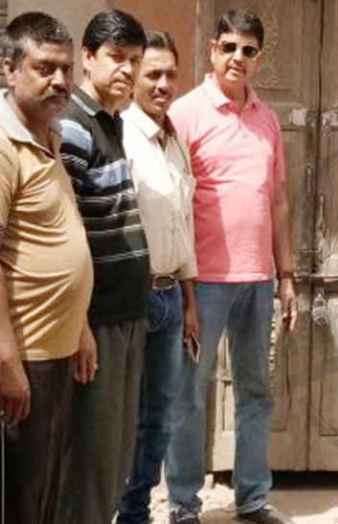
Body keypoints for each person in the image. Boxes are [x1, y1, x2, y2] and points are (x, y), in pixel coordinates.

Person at [165, 9, 296, 524]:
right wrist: (184, 283)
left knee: (255, 393)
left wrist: (286, 275)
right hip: (204, 282)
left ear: (259, 58)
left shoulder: (267, 118)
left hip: (258, 280)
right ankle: (183, 501)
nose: (237, 58)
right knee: (189, 395)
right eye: (229, 47)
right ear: (212, 50)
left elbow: (278, 199)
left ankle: (252, 497)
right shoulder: (186, 114)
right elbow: (174, 200)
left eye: (248, 50)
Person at [56, 9, 150, 524]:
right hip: (97, 322)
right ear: (87, 58)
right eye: (116, 57)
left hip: (128, 315)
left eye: (134, 60)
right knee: (91, 463)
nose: (127, 70)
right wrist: (81, 324)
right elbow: (66, 235)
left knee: (115, 459)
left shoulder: (111, 122)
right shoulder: (73, 126)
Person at [0, 12, 93, 524]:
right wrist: (6, 360)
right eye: (44, 67)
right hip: (25, 358)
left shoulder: (48, 135)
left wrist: (79, 327)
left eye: (66, 69)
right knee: (22, 501)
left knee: (47, 496)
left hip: (57, 352)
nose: (60, 80)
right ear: (9, 69)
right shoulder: (3, 144)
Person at [116, 31, 198, 524]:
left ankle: (136, 512)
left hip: (170, 297)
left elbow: (183, 226)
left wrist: (189, 302)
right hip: (131, 299)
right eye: (153, 74)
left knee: (159, 419)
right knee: (121, 417)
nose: (163, 84)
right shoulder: (121, 136)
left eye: (170, 74)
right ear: (134, 78)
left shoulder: (175, 143)